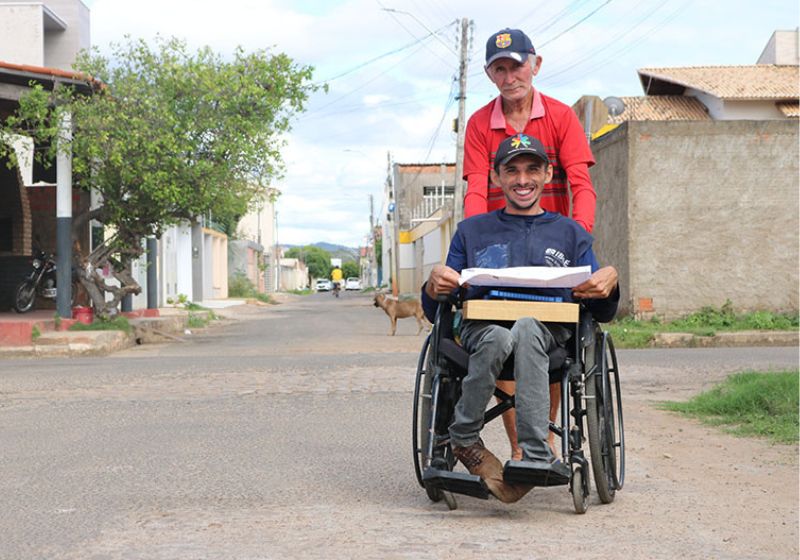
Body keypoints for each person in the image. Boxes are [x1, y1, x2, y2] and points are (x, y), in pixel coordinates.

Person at [421, 133, 618, 503]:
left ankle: (535, 451)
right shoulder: (471, 232)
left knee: (526, 328)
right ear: (496, 177)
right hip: (483, 331)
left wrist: (610, 280)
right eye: (511, 170)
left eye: (532, 169)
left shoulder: (571, 233)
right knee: (498, 336)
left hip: (549, 335)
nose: (522, 179)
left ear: (547, 174)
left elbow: (602, 309)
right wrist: (434, 286)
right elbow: (436, 312)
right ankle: (462, 435)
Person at [463, 28, 598, 460]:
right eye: (499, 69)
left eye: (516, 66)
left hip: (553, 245)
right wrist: (472, 248)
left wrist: (576, 242)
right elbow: (475, 192)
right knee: (499, 330)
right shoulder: (480, 124)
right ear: (490, 74)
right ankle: (522, 447)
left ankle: (544, 437)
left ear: (535, 65)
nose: (509, 76)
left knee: (543, 337)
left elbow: (581, 184)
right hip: (500, 248)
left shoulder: (560, 117)